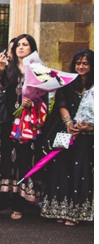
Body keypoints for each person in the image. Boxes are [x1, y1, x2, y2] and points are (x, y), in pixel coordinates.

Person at [0, 34, 47, 220]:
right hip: (7, 121)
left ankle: (19, 205)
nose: (21, 48)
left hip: (27, 122)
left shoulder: (38, 70)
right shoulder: (9, 68)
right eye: (18, 45)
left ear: (32, 48)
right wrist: (0, 67)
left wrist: (34, 102)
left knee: (23, 159)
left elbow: (46, 95)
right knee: (3, 158)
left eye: (25, 45)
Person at [40, 49, 94, 226]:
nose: (81, 66)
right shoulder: (68, 83)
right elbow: (61, 103)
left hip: (88, 138)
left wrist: (89, 127)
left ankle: (77, 213)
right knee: (63, 168)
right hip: (67, 134)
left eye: (85, 63)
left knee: (82, 171)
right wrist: (68, 123)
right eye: (78, 63)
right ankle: (60, 210)